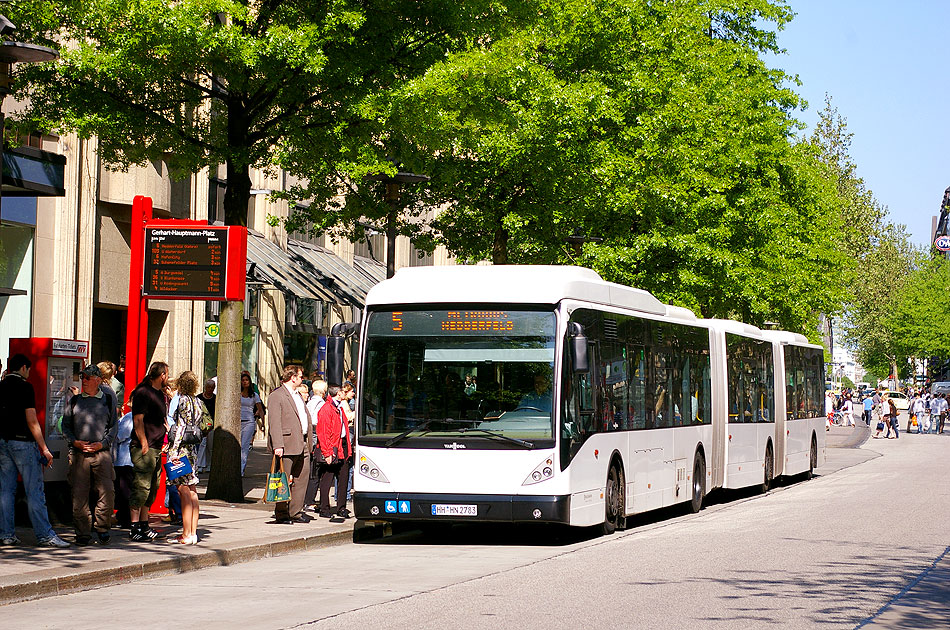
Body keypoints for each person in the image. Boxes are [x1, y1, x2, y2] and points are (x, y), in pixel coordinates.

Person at [0, 354, 70, 548]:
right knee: (35, 491)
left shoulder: (2, 385)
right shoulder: (25, 387)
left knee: (6, 490)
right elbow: (31, 419)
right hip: (23, 443)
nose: (29, 373)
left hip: (4, 443)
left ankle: (6, 533)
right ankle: (45, 535)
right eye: (28, 369)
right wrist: (44, 448)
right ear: (23, 368)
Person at [62, 364, 118, 545]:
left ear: (98, 380)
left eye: (87, 378)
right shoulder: (75, 401)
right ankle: (83, 532)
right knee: (79, 494)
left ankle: (102, 528)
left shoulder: (108, 399)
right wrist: (75, 441)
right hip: (80, 455)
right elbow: (65, 426)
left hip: (101, 454)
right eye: (82, 378)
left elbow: (113, 427)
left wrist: (103, 443)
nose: (83, 381)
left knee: (107, 491)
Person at [129, 361, 169, 541]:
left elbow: (160, 418)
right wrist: (143, 442)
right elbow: (138, 420)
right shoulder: (143, 393)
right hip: (145, 447)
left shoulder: (159, 394)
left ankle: (144, 525)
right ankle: (134, 526)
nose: (168, 377)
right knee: (141, 487)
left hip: (157, 446)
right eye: (166, 374)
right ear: (162, 375)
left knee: (153, 486)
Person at [266, 365, 312, 524]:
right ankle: (282, 513)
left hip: (302, 442)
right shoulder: (277, 395)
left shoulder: (297, 395)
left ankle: (295, 512)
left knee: (302, 477)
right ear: (293, 378)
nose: (302, 379)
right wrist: (278, 445)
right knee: (283, 480)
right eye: (300, 376)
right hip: (286, 444)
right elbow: (274, 422)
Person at [166, 371, 203, 545]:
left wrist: (173, 451)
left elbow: (176, 425)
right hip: (192, 449)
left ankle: (186, 533)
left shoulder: (179, 400)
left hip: (180, 448)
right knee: (192, 489)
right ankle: (193, 532)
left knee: (182, 490)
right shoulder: (198, 402)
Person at [316, 384, 352, 519]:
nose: (345, 394)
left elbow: (343, 429)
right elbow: (324, 432)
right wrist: (327, 452)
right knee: (328, 477)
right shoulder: (327, 409)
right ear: (338, 393)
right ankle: (324, 507)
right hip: (333, 447)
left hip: (342, 446)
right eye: (343, 391)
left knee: (343, 477)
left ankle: (341, 507)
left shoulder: (339, 408)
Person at [304, 379, 328, 511]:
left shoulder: (309, 403)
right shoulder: (321, 404)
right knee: (315, 471)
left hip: (309, 435)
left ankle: (307, 499)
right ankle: (310, 500)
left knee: (310, 470)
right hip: (316, 436)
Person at [111, 405, 134, 529]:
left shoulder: (130, 417)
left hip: (125, 458)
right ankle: (124, 516)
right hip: (131, 459)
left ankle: (125, 518)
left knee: (124, 490)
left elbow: (120, 436)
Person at [240, 371, 265, 476]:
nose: (245, 382)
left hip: (249, 421)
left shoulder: (254, 395)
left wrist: (263, 424)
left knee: (244, 446)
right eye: (243, 380)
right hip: (237, 421)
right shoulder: (236, 394)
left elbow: (261, 409)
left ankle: (241, 469)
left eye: (247, 380)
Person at [195, 378, 216, 473]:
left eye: (212, 387)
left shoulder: (216, 398)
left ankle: (209, 464)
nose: (210, 389)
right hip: (200, 425)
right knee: (202, 445)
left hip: (212, 426)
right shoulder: (198, 398)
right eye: (208, 387)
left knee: (210, 447)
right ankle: (199, 465)